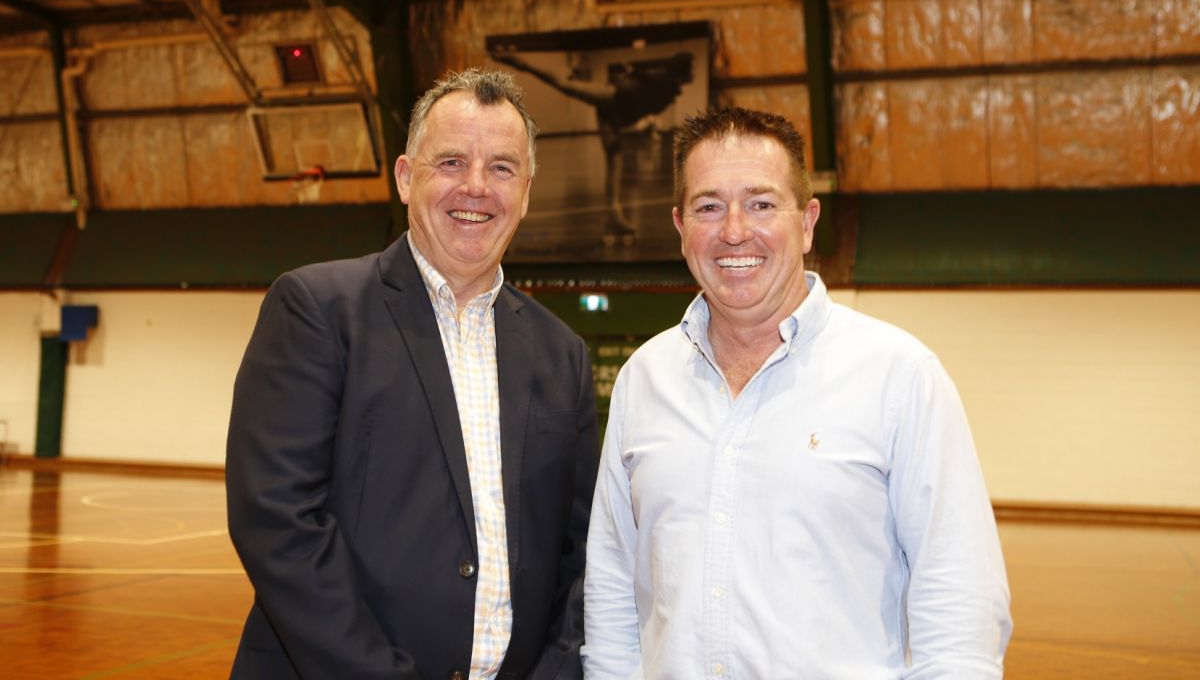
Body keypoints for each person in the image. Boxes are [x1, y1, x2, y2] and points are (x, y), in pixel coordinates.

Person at [582, 107, 1011, 678]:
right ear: (681, 227)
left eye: (761, 204)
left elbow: (960, 607)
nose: (735, 230)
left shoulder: (900, 376)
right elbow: (613, 587)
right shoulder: (645, 378)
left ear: (807, 222)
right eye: (709, 206)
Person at [226, 68, 599, 679]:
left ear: (526, 192)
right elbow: (277, 522)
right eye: (451, 162)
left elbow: (582, 551)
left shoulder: (562, 353)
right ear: (405, 177)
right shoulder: (317, 309)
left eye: (501, 168)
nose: (476, 187)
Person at [491, 49, 693, 243]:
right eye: (690, 68)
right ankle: (520, 62)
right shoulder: (663, 81)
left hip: (616, 113)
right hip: (611, 97)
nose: (693, 73)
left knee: (615, 159)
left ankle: (615, 215)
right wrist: (629, 72)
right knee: (563, 84)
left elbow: (641, 94)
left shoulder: (669, 87)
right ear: (683, 70)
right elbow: (641, 81)